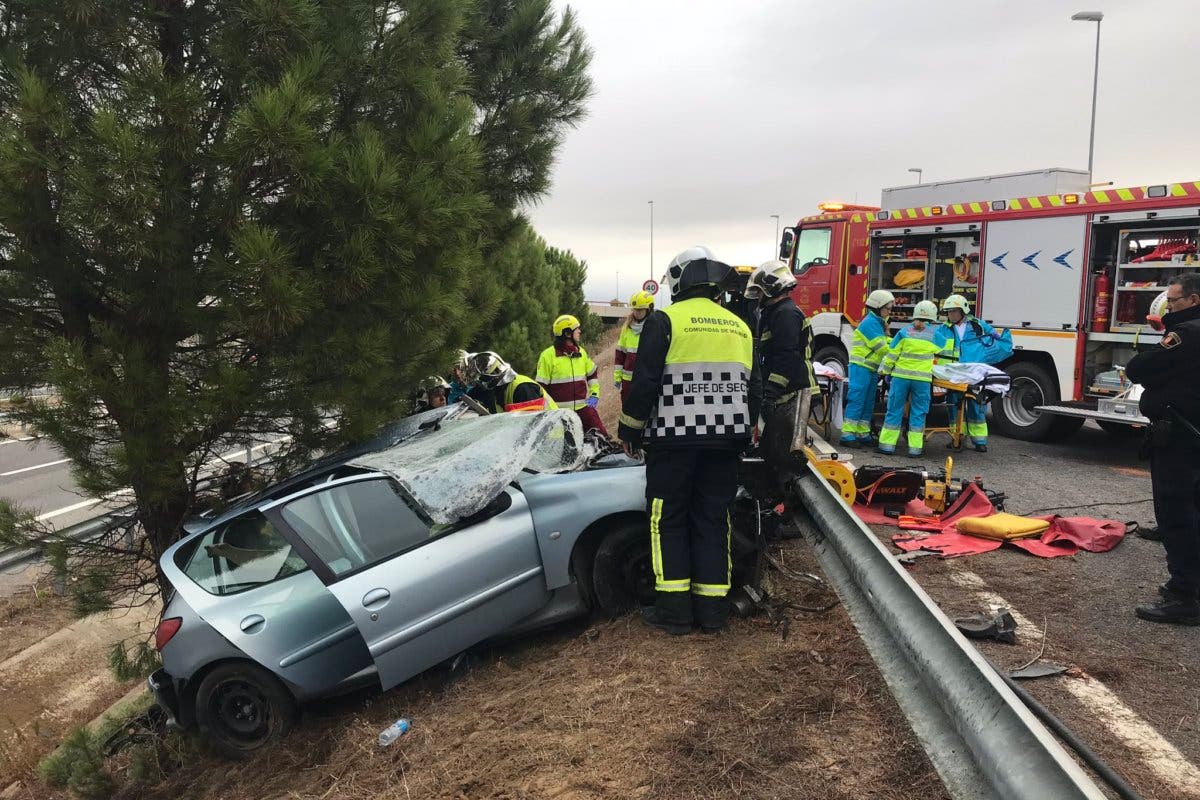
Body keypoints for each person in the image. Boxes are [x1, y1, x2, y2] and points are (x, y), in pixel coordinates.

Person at [617, 246, 754, 636]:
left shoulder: (666, 320)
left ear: (679, 279)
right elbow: (753, 389)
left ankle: (674, 611)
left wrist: (629, 430)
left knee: (667, 518)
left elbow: (644, 383)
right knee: (714, 519)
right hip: (727, 441)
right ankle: (713, 613)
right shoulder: (738, 325)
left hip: (673, 441)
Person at [1124, 272, 1200, 626]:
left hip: (1181, 441)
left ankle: (1185, 596)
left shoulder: (1186, 335)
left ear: (1194, 301)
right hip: (1192, 436)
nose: (1169, 307)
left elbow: (1138, 368)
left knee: (1177, 514)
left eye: (1175, 301)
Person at [744, 259, 814, 467]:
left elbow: (786, 356)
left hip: (793, 391)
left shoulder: (785, 314)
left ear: (772, 288)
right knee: (773, 446)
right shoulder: (777, 312)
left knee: (785, 450)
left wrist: (772, 390)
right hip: (785, 391)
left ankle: (786, 490)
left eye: (760, 292)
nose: (758, 297)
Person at [876, 300, 954, 457]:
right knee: (918, 412)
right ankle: (915, 448)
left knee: (894, 410)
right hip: (922, 380)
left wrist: (884, 371)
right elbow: (944, 348)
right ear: (932, 317)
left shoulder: (904, 332)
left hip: (900, 377)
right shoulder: (935, 334)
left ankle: (887, 446)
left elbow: (892, 354)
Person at [938, 294, 999, 452]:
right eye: (948, 312)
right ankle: (958, 437)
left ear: (962, 311)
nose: (950, 314)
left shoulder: (978, 325)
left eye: (953, 311)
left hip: (973, 373)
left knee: (976, 404)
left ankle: (979, 441)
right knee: (954, 405)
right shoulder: (943, 329)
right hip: (954, 374)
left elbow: (994, 338)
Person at [536, 315, 608, 436]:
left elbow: (592, 375)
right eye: (577, 329)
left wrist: (594, 394)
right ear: (568, 333)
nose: (580, 331)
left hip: (583, 410)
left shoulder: (581, 352)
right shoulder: (547, 356)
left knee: (604, 438)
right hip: (559, 415)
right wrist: (550, 413)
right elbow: (541, 389)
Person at [841, 290, 896, 447]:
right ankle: (847, 434)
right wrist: (901, 347)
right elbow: (882, 347)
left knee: (868, 401)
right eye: (888, 308)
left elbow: (885, 341)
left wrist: (898, 342)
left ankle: (862, 432)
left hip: (870, 368)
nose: (890, 312)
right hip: (861, 368)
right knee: (858, 399)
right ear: (879, 307)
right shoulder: (870, 323)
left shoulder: (876, 322)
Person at [466, 351, 556, 414]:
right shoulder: (499, 390)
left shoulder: (522, 387)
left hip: (554, 435)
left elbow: (533, 424)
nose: (481, 385)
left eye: (484, 380)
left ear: (494, 374)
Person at [614, 290, 655, 404]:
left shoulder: (655, 327)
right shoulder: (627, 328)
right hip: (628, 381)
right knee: (627, 411)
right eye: (634, 309)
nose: (636, 312)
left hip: (647, 380)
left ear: (649, 309)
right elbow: (620, 355)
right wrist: (617, 377)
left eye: (640, 310)